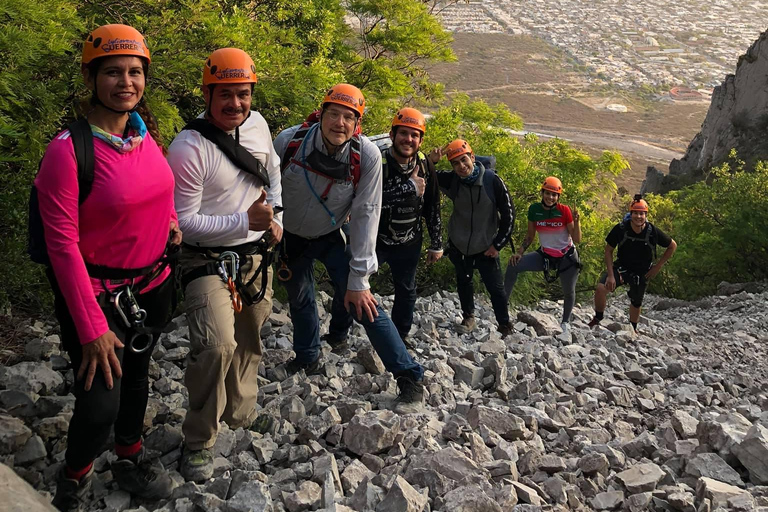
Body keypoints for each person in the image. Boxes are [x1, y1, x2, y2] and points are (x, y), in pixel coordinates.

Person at [35, 24, 178, 511]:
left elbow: (158, 191)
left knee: (137, 376)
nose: (126, 82)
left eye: (135, 72)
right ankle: (73, 477)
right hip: (100, 295)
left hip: (152, 283)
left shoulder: (143, 132)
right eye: (113, 72)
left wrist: (172, 222)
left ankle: (128, 453)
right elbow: (62, 246)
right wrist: (93, 327)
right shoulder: (67, 152)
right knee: (100, 402)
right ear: (91, 77)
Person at [166, 48, 282, 483]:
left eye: (243, 94)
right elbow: (182, 222)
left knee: (250, 337)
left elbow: (271, 172)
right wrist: (242, 221)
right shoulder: (189, 147)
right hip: (203, 258)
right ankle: (199, 439)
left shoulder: (258, 126)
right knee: (217, 345)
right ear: (208, 94)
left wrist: (278, 219)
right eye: (226, 95)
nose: (236, 104)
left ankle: (241, 411)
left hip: (254, 254)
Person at [273, 83, 425, 414]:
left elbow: (367, 213)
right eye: (334, 114)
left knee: (363, 304)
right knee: (300, 298)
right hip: (291, 237)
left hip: (331, 235)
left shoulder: (365, 155)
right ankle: (307, 356)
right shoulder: (289, 142)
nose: (339, 123)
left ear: (357, 123)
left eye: (348, 117)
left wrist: (360, 277)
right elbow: (269, 191)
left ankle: (409, 376)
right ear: (321, 114)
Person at [375, 107, 442, 346]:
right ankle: (339, 334)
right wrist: (408, 188)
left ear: (421, 140)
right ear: (392, 135)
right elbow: (368, 202)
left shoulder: (425, 165)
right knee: (355, 282)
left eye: (414, 135)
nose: (409, 139)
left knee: (407, 291)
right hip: (377, 239)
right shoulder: (378, 161)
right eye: (403, 133)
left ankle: (399, 337)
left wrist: (437, 244)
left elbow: (433, 205)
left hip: (410, 241)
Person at [435, 139, 515, 336]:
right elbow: (424, 175)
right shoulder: (452, 180)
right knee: (464, 281)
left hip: (486, 246)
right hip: (460, 244)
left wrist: (497, 245)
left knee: (496, 289)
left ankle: (504, 325)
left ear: (472, 157)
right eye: (455, 163)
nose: (462, 167)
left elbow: (509, 215)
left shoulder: (492, 180)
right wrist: (432, 161)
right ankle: (468, 317)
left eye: (464, 160)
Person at [588, 195, 677, 333]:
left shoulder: (652, 231)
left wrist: (657, 267)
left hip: (642, 272)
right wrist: (611, 275)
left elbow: (672, 246)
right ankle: (598, 319)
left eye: (641, 213)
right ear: (631, 213)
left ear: (646, 215)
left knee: (636, 302)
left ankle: (632, 329)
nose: (638, 216)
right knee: (601, 288)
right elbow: (608, 250)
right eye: (635, 213)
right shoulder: (621, 229)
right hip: (621, 268)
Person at [504, 177, 581, 335]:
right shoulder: (534, 210)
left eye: (554, 195)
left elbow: (577, 239)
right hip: (545, 255)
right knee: (513, 266)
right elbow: (530, 236)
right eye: (548, 193)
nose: (550, 197)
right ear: (542, 192)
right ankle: (502, 308)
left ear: (558, 197)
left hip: (566, 257)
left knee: (569, 290)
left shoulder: (564, 211)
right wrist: (519, 252)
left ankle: (565, 322)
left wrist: (577, 222)